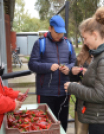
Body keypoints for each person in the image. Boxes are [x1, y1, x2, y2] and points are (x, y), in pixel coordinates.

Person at [28, 15, 76, 131]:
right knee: (45, 124)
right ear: (50, 28)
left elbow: (74, 62)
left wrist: (68, 68)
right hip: (45, 93)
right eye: (57, 32)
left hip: (64, 93)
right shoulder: (40, 43)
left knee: (62, 124)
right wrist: (48, 67)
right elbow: (32, 64)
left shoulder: (68, 44)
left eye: (62, 32)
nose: (60, 35)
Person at [64, 6, 104, 134]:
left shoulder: (101, 59)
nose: (84, 43)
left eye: (85, 38)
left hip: (100, 122)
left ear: (95, 35)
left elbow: (100, 95)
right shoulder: (97, 56)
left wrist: (73, 87)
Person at [69, 44, 92, 134]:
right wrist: (72, 73)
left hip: (98, 107)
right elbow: (73, 80)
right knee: (80, 131)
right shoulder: (81, 57)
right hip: (81, 103)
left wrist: (89, 74)